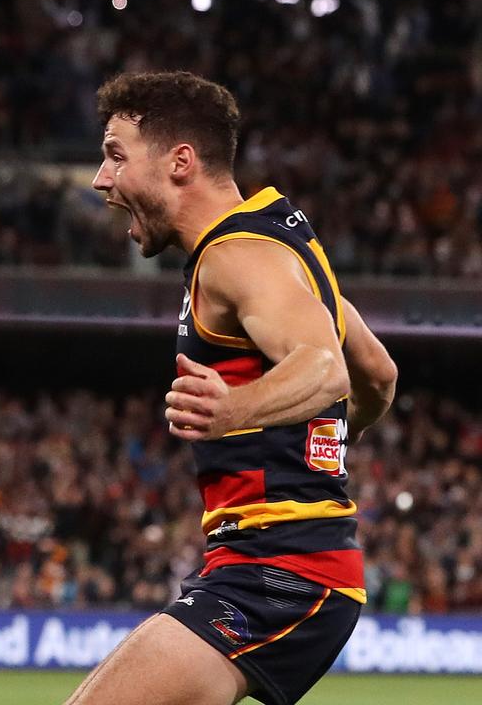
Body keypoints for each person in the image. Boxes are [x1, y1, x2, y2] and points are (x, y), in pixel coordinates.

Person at [76, 72, 399, 705]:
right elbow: (377, 374)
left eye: (116, 155)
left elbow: (326, 368)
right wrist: (337, 435)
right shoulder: (280, 240)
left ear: (180, 162)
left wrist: (236, 409)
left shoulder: (234, 256)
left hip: (280, 571)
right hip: (280, 566)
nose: (100, 180)